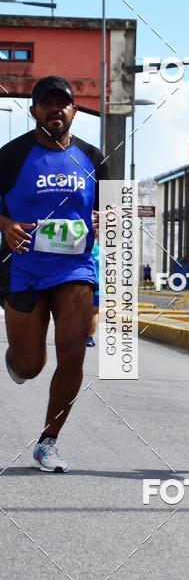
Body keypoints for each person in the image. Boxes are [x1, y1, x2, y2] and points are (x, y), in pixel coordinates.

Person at [0, 76, 107, 472]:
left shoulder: (94, 159)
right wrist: (4, 224)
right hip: (24, 269)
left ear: (75, 111)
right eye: (46, 104)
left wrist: (106, 219)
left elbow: (117, 215)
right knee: (30, 365)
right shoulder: (10, 157)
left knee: (74, 352)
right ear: (34, 112)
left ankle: (49, 440)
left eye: (63, 104)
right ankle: (19, 359)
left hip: (74, 268)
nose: (55, 110)